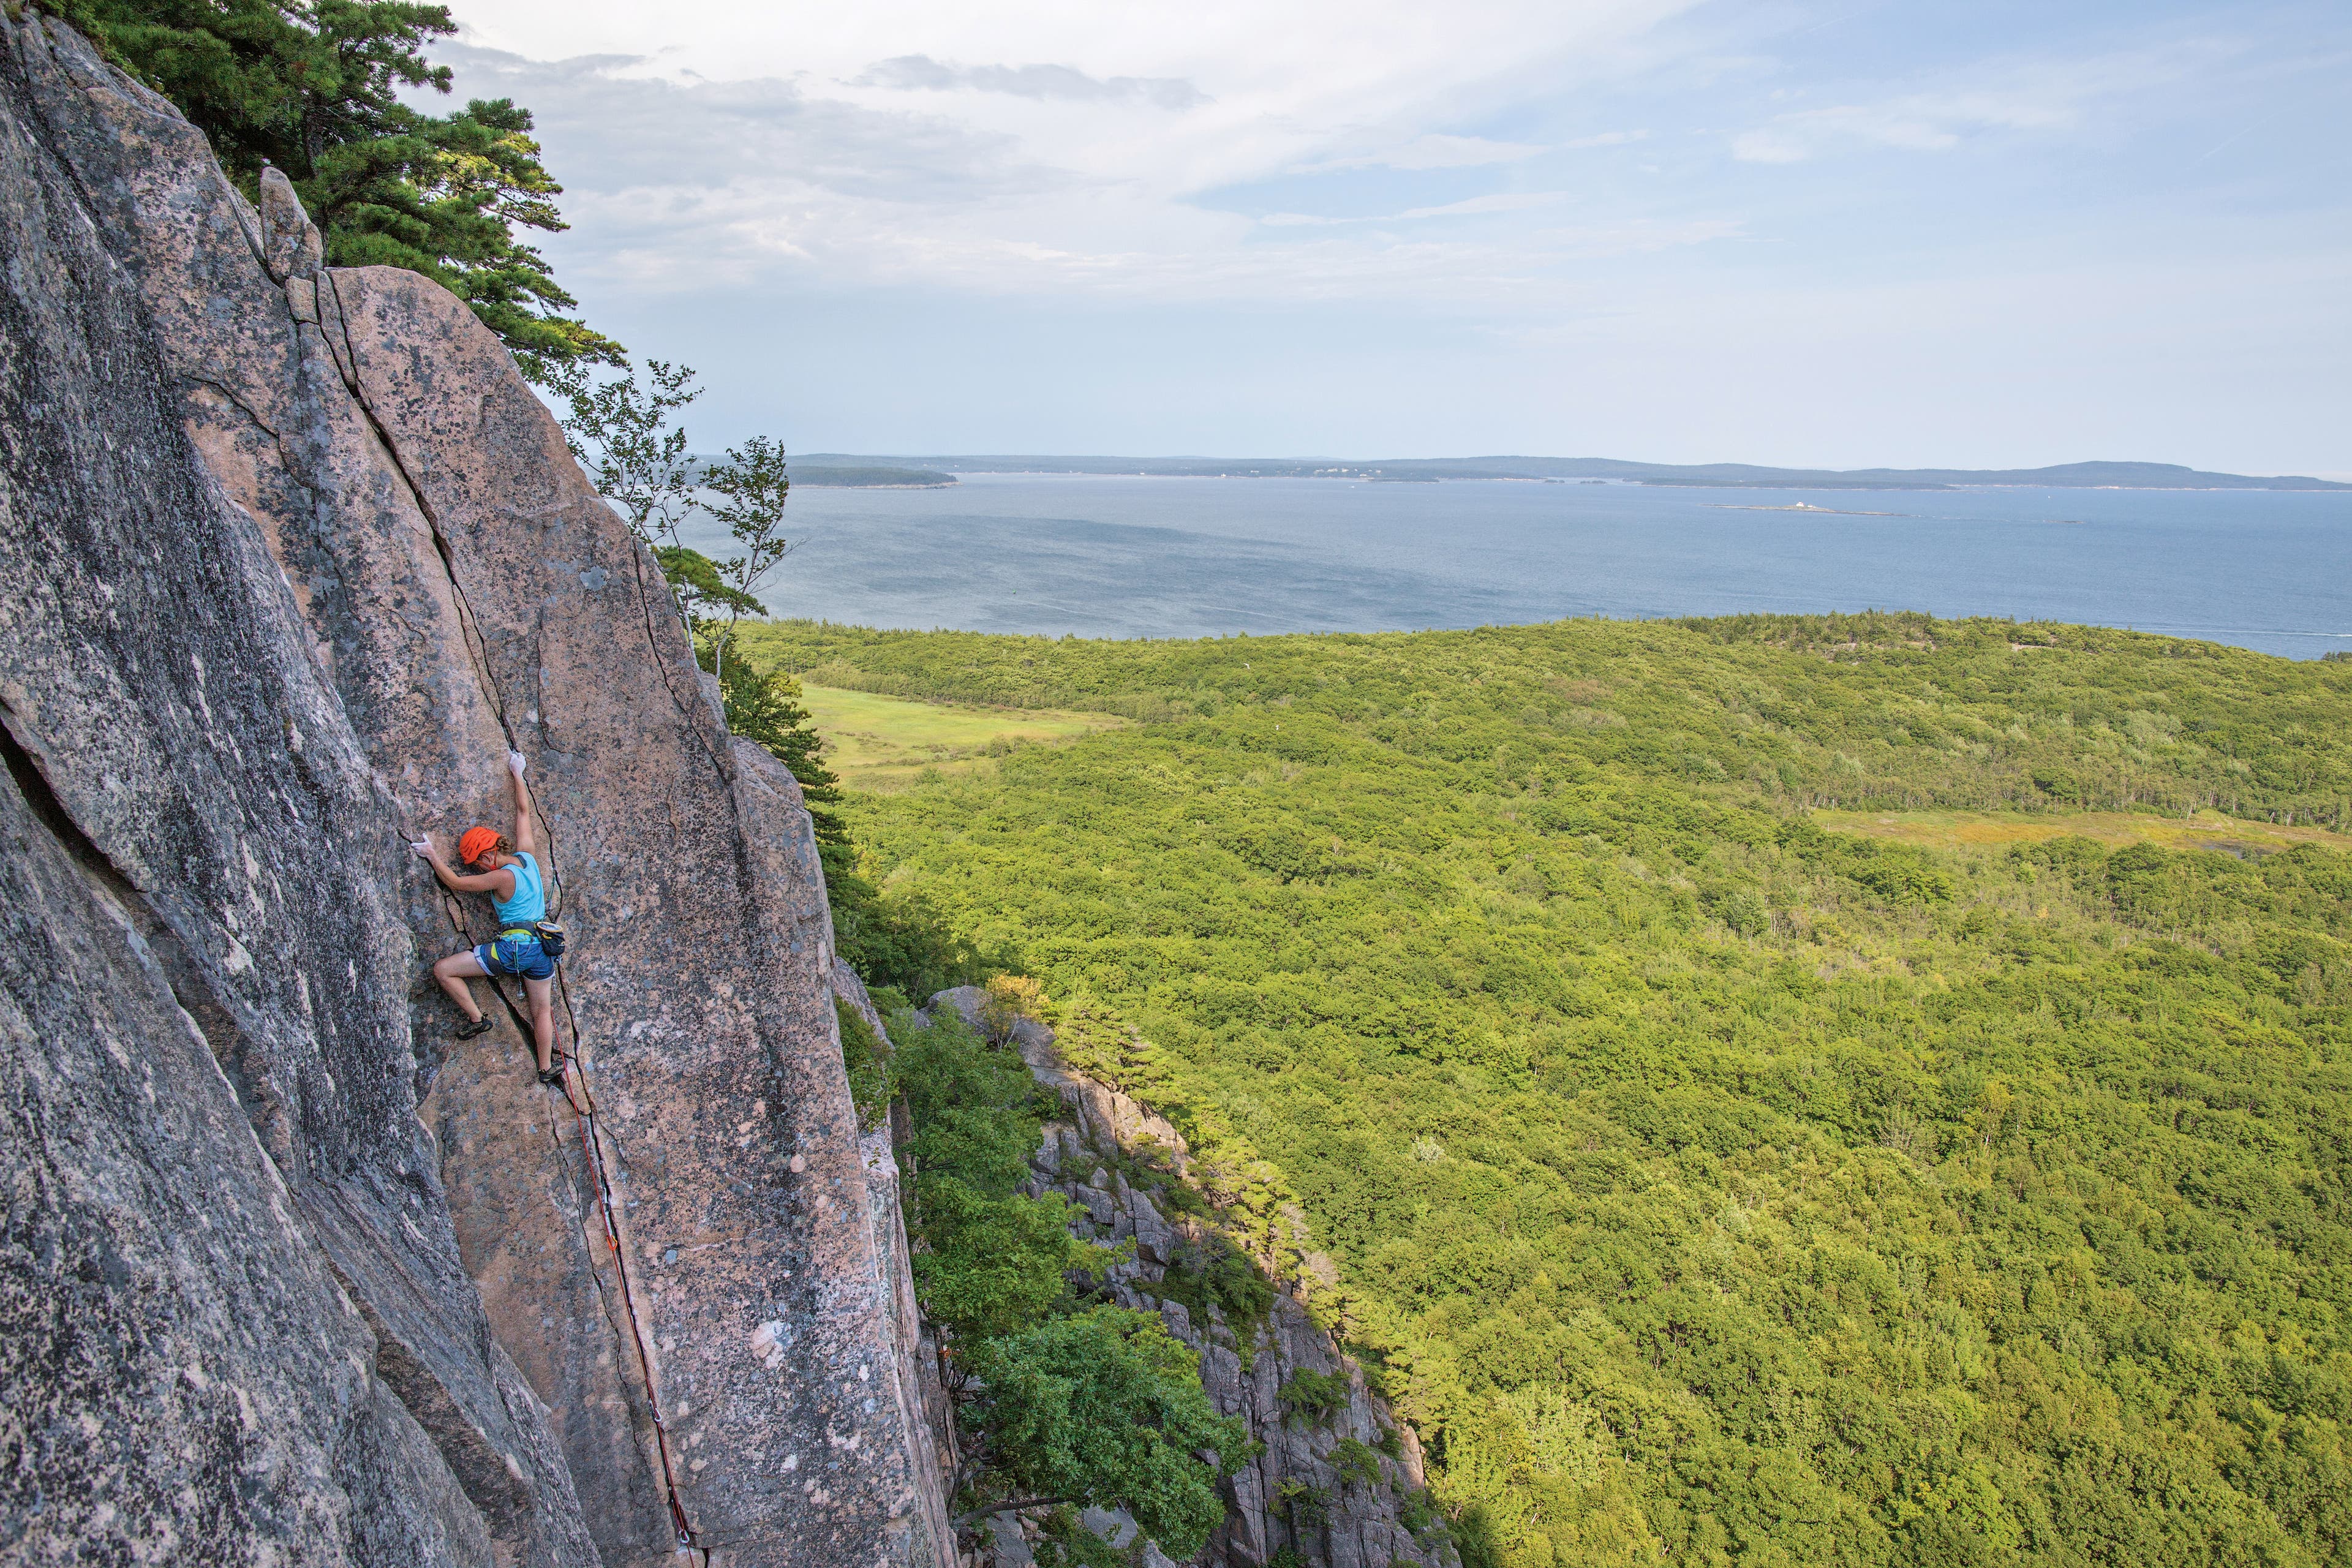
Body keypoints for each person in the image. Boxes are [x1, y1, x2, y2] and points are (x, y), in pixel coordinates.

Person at [410, 750, 564, 1085]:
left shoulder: (501, 876)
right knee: (542, 1010)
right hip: (542, 950)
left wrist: (432, 855)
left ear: (490, 853)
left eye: (479, 861)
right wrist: (517, 772)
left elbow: (455, 883)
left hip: (514, 950)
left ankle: (478, 1019)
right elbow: (524, 813)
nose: (479, 868)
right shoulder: (528, 859)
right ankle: (544, 1068)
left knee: (443, 970)